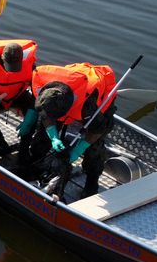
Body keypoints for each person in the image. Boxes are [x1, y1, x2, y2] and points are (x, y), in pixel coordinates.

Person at [17, 62, 118, 200]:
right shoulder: (42, 87)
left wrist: (78, 149)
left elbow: (98, 129)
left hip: (99, 98)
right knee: (42, 135)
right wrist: (53, 136)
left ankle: (91, 185)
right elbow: (45, 114)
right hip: (68, 84)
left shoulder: (87, 105)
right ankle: (36, 165)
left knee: (94, 149)